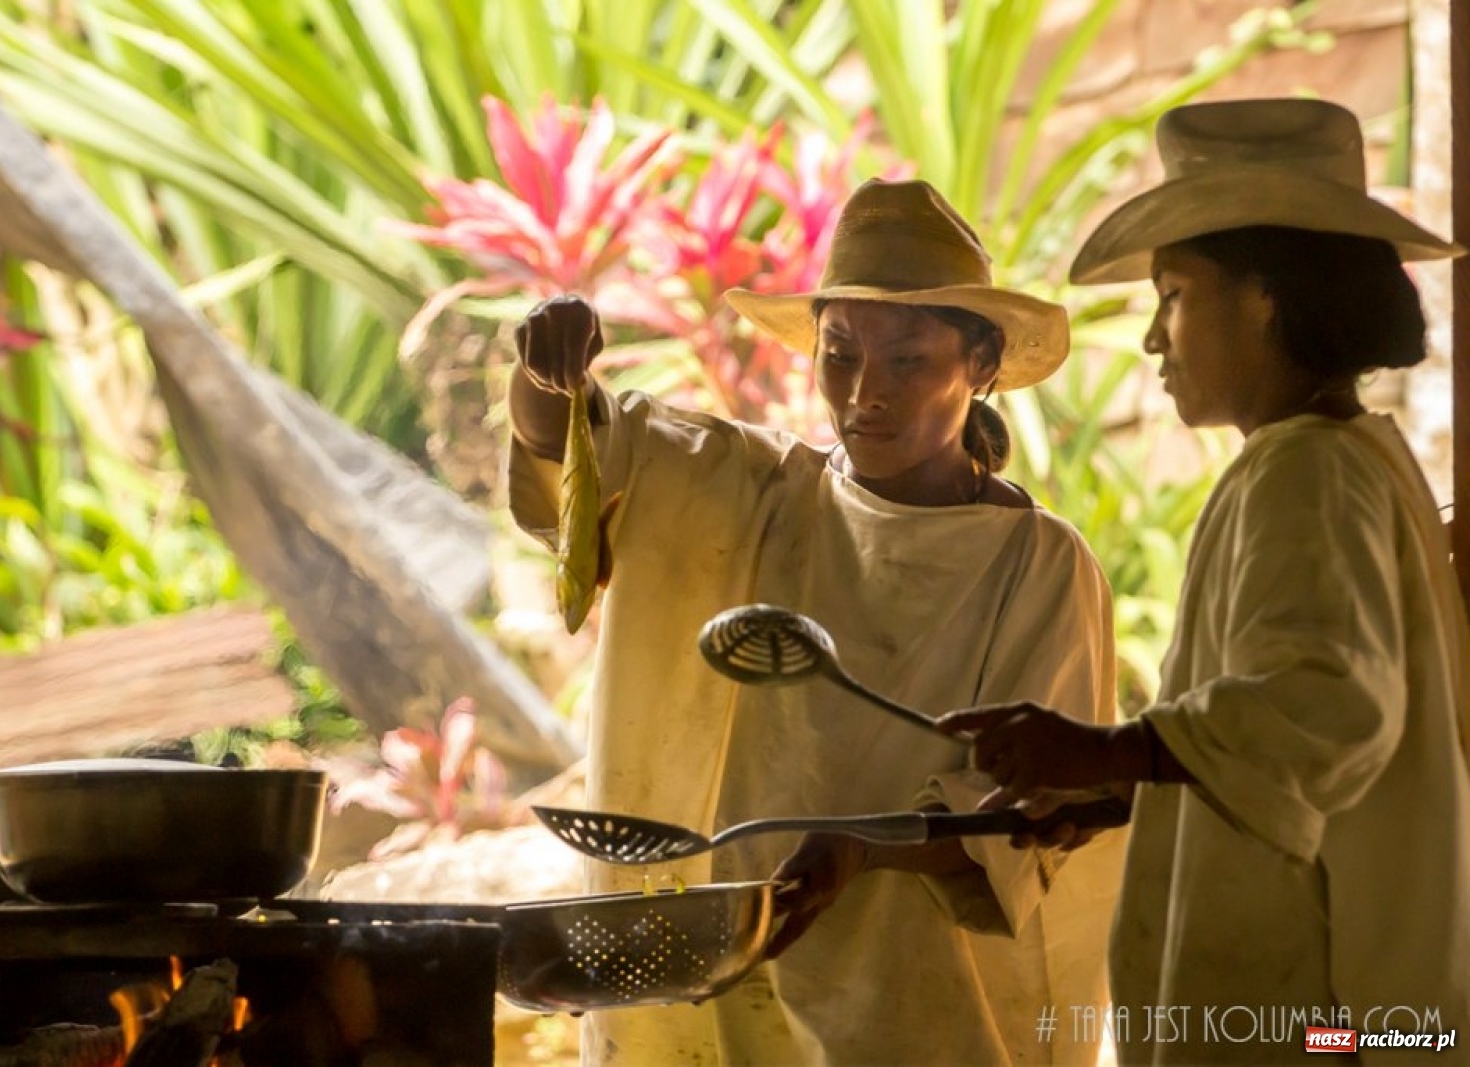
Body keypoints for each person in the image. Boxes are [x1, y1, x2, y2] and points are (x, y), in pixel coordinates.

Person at [508, 178, 1125, 1065]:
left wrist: (864, 850)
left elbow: (1030, 817)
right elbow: (577, 455)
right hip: (722, 993)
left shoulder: (1038, 565)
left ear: (982, 365)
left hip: (928, 1012)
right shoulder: (752, 493)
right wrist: (543, 375)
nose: (867, 391)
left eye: (909, 360)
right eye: (840, 354)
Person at [938, 98, 1470, 1065]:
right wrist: (1132, 791)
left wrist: (1109, 748)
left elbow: (1327, 705)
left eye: (1172, 293)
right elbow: (1296, 763)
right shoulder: (1355, 454)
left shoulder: (1302, 469)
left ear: (1264, 297)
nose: (1153, 338)